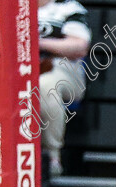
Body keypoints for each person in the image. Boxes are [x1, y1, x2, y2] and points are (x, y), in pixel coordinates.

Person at [38, 0, 91, 176]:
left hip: (62, 71)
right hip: (15, 72)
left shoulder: (68, 8)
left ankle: (51, 157)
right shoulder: (8, 7)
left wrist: (36, 43)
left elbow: (79, 46)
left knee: (45, 85)